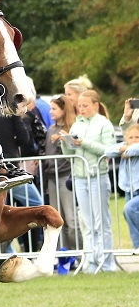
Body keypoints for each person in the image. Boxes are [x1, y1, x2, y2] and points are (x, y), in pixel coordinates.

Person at [62, 89, 119, 272]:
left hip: (98, 176)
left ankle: (107, 263)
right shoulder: (76, 124)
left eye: (85, 105)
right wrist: (64, 141)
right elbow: (69, 154)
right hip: (80, 178)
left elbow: (109, 150)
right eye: (79, 106)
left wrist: (84, 142)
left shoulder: (104, 124)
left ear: (95, 106)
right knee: (87, 223)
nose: (81, 109)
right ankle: (92, 263)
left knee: (101, 222)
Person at [0, 96, 44, 251]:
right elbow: (24, 138)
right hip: (9, 166)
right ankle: (10, 242)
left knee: (0, 211)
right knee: (37, 204)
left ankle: (6, 252)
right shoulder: (9, 107)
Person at [42, 95, 79, 251]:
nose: (50, 112)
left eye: (54, 109)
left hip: (65, 176)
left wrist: (64, 139)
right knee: (57, 220)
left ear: (64, 110)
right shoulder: (51, 129)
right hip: (51, 177)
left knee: (71, 218)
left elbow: (74, 150)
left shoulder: (72, 128)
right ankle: (63, 254)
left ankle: (78, 252)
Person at [109, 123, 139, 248]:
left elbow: (135, 149)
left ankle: (137, 245)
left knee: (129, 209)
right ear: (126, 138)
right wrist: (124, 149)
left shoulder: (129, 148)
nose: (134, 140)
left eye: (137, 137)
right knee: (129, 215)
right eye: (131, 137)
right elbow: (108, 151)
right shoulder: (124, 146)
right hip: (129, 189)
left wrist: (125, 150)